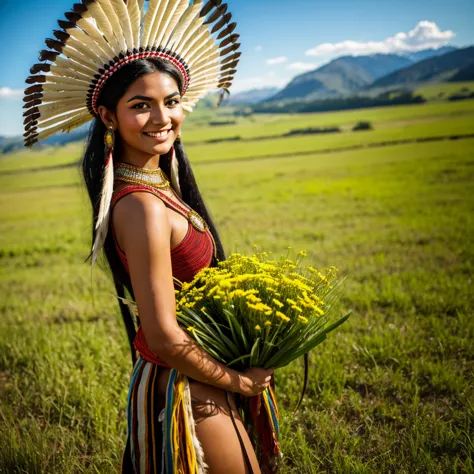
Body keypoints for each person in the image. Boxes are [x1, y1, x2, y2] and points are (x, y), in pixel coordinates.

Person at [23, 1, 277, 472]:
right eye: (140, 105)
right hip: (191, 387)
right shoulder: (140, 205)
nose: (162, 118)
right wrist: (241, 383)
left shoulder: (159, 187)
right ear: (108, 115)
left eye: (171, 101)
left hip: (202, 375)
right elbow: (161, 335)